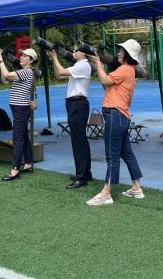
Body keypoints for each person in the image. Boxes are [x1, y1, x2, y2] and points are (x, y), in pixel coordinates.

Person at [85, 39, 144, 206]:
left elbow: (104, 81)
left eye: (121, 51)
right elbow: (108, 87)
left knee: (112, 156)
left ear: (128, 55)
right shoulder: (129, 71)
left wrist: (98, 62)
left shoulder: (124, 69)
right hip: (121, 116)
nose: (118, 53)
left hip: (115, 115)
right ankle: (136, 187)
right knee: (127, 154)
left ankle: (106, 194)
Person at [47, 46, 93, 188]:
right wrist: (53, 59)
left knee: (78, 142)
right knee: (80, 140)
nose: (73, 52)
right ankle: (85, 173)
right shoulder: (78, 65)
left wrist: (55, 57)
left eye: (76, 50)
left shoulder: (83, 65)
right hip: (75, 104)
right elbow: (59, 75)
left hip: (77, 104)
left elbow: (61, 71)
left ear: (83, 53)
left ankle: (81, 177)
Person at [0, 47, 38, 181]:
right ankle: (29, 163)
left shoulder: (27, 71)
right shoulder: (22, 72)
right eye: (22, 55)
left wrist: (1, 61)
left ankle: (15, 169)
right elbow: (5, 80)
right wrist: (0, 64)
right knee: (23, 136)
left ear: (31, 60)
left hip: (21, 109)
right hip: (18, 109)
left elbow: (8, 75)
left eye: (25, 56)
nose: (21, 57)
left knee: (17, 139)